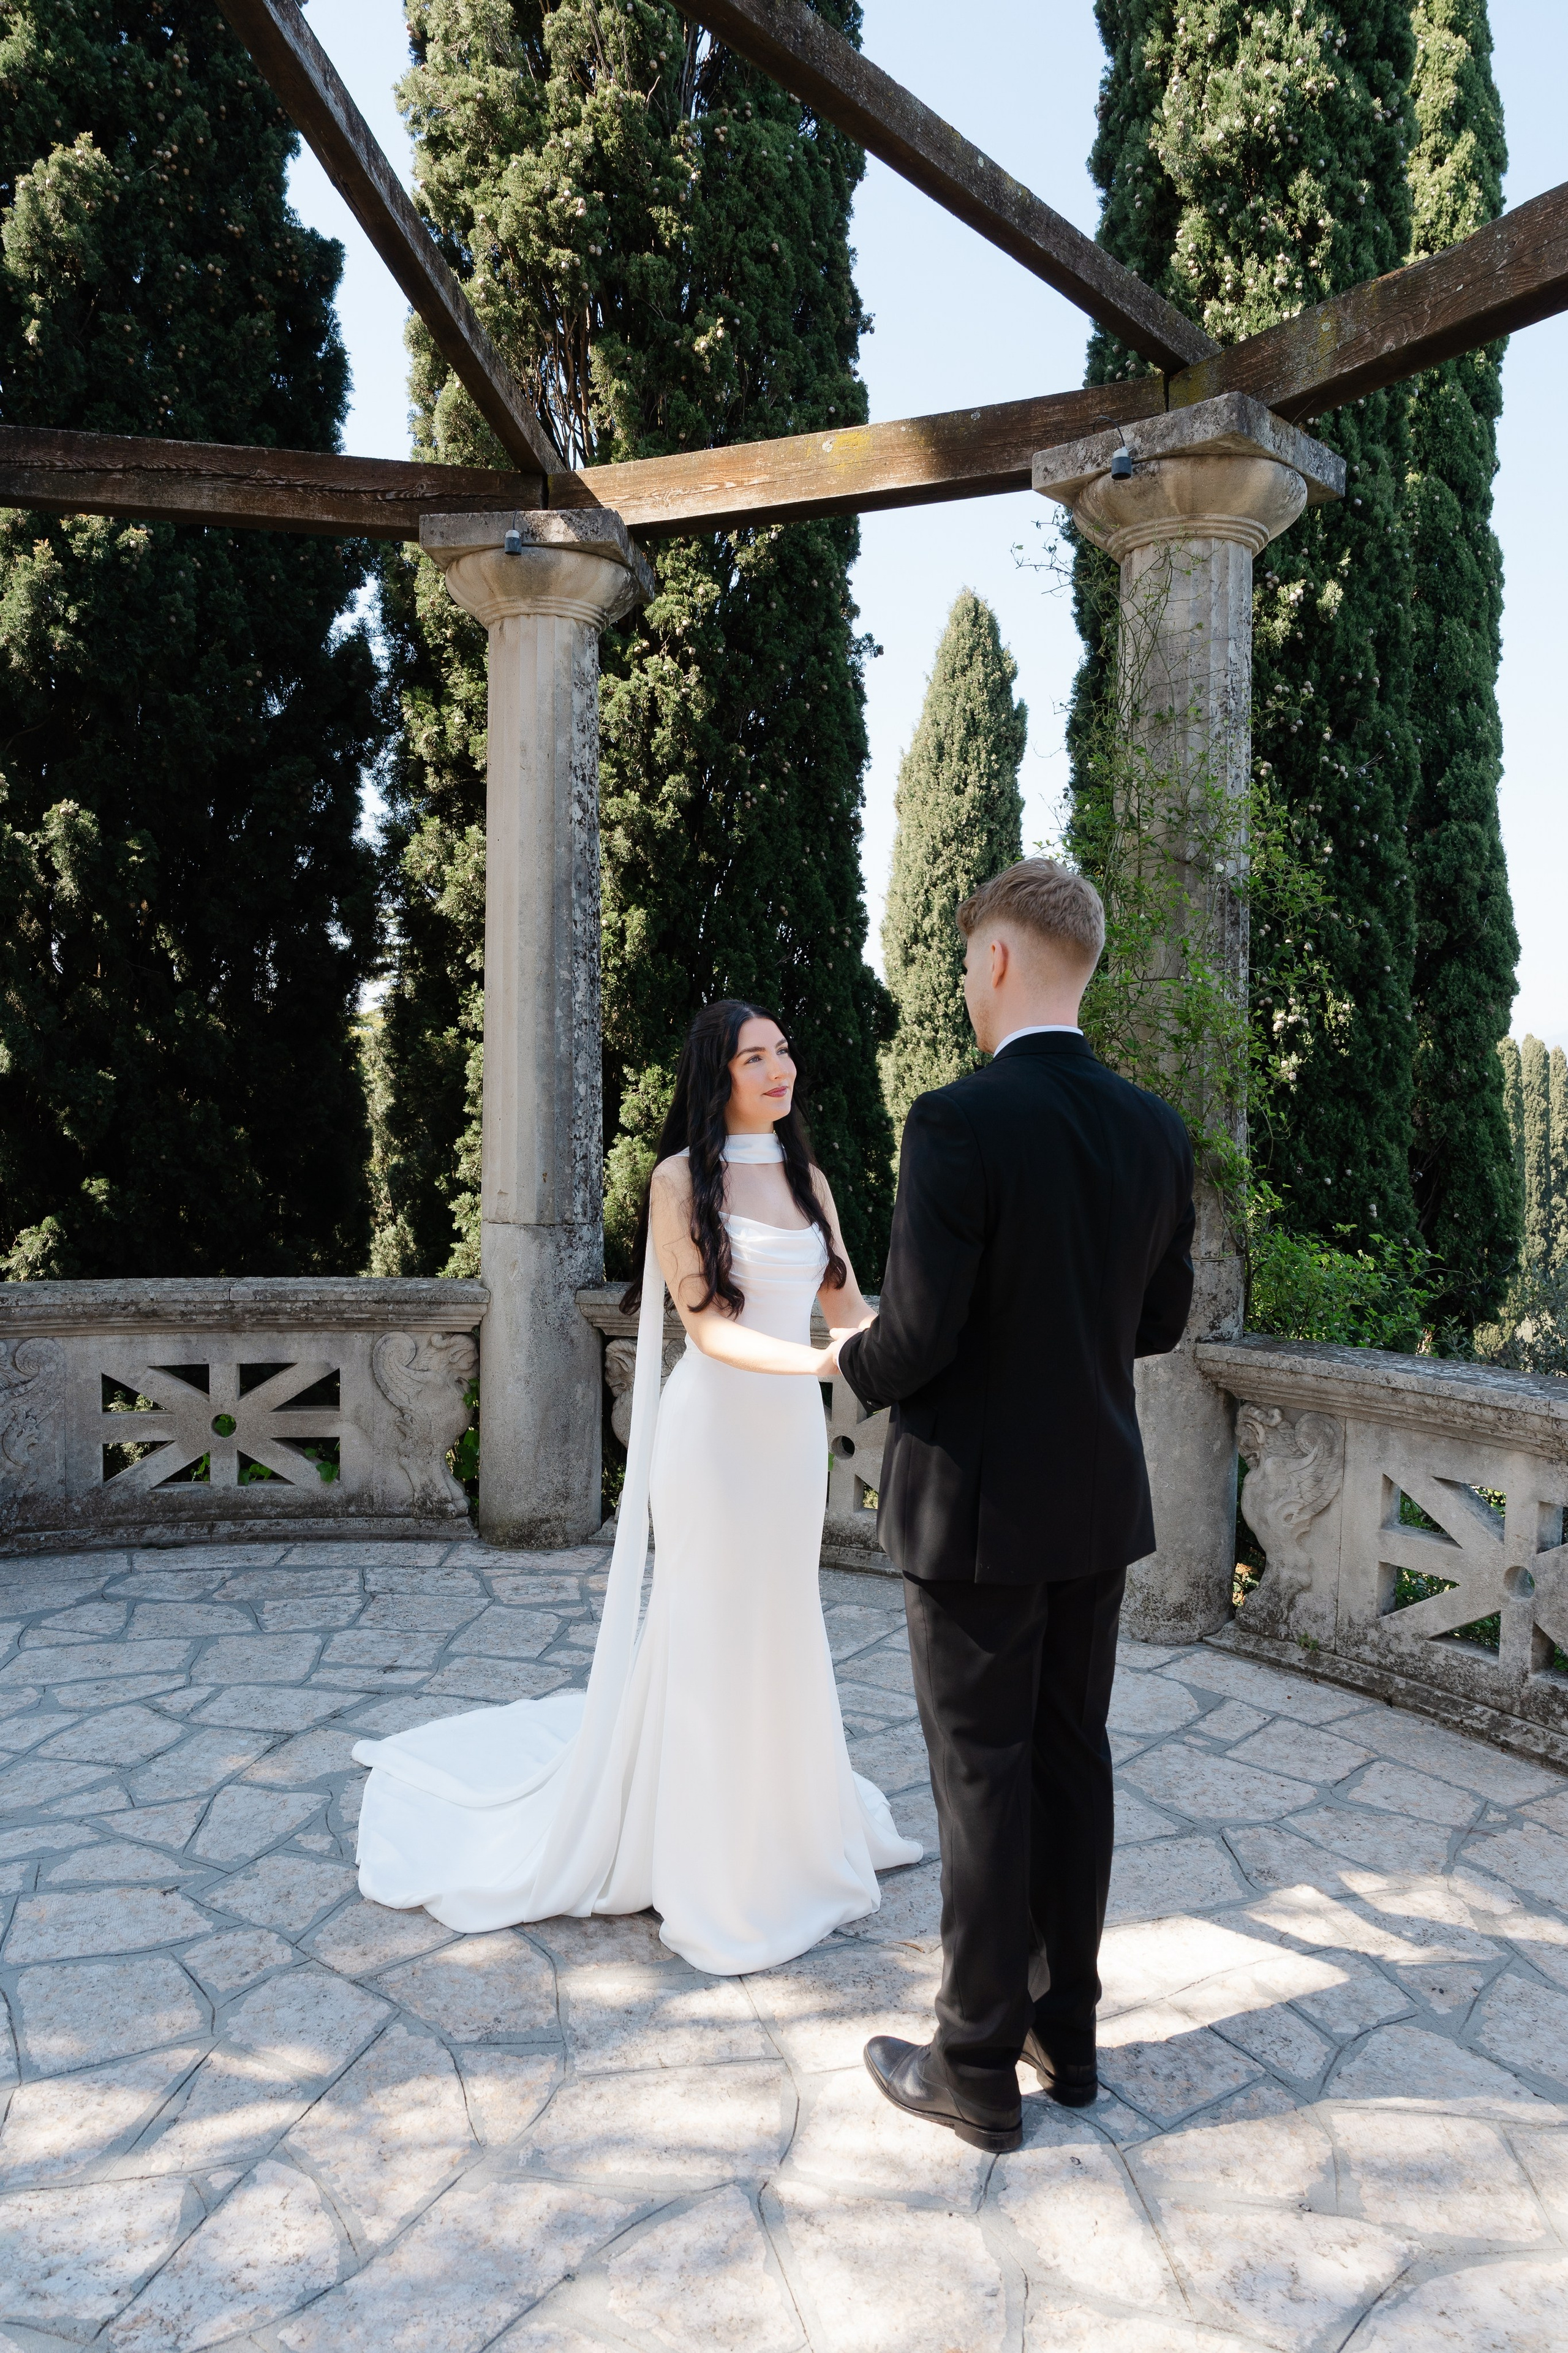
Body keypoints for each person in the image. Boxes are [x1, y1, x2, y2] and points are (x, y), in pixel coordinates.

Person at [352, 999, 919, 1974]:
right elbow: (706, 1331)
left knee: (783, 1616)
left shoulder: (811, 1179)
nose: (781, 1069)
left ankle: (784, 1829)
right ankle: (705, 1858)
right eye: (756, 1056)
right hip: (714, 1435)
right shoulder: (676, 1181)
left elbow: (852, 1309)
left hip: (788, 1439)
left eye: (786, 1051)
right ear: (719, 1074)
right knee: (706, 1621)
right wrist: (822, 1368)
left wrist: (916, 1339)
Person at [840, 858, 1196, 2153]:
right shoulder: (1153, 1129)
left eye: (964, 962)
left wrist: (848, 1362)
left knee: (980, 1779)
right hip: (1095, 1500)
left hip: (976, 1515)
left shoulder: (954, 1120)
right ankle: (1068, 2031)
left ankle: (975, 2065)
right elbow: (1159, 1317)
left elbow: (917, 1337)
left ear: (995, 960)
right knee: (1067, 1761)